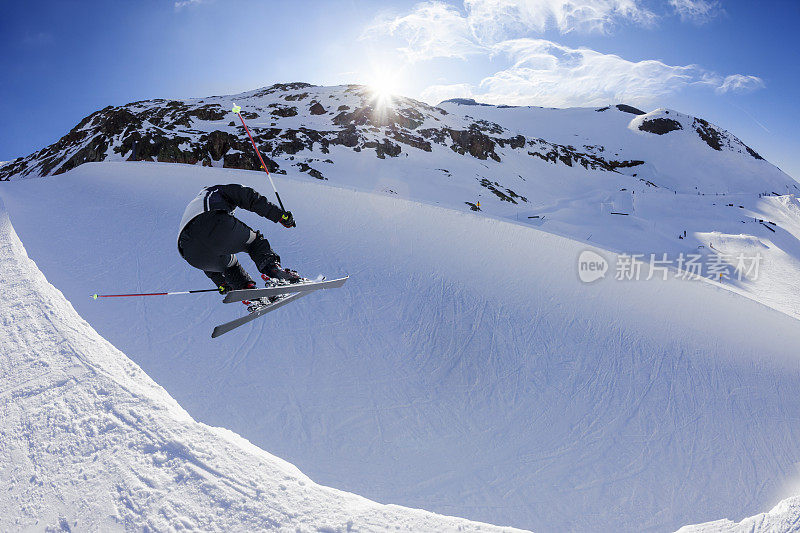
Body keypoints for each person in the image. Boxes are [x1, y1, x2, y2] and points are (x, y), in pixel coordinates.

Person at [178, 184, 301, 296]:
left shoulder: (192, 207)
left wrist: (222, 284)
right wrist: (280, 215)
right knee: (255, 242)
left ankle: (246, 290)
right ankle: (274, 271)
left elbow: (203, 249)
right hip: (213, 223)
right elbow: (249, 197)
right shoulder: (215, 191)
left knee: (230, 265)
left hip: (191, 255)